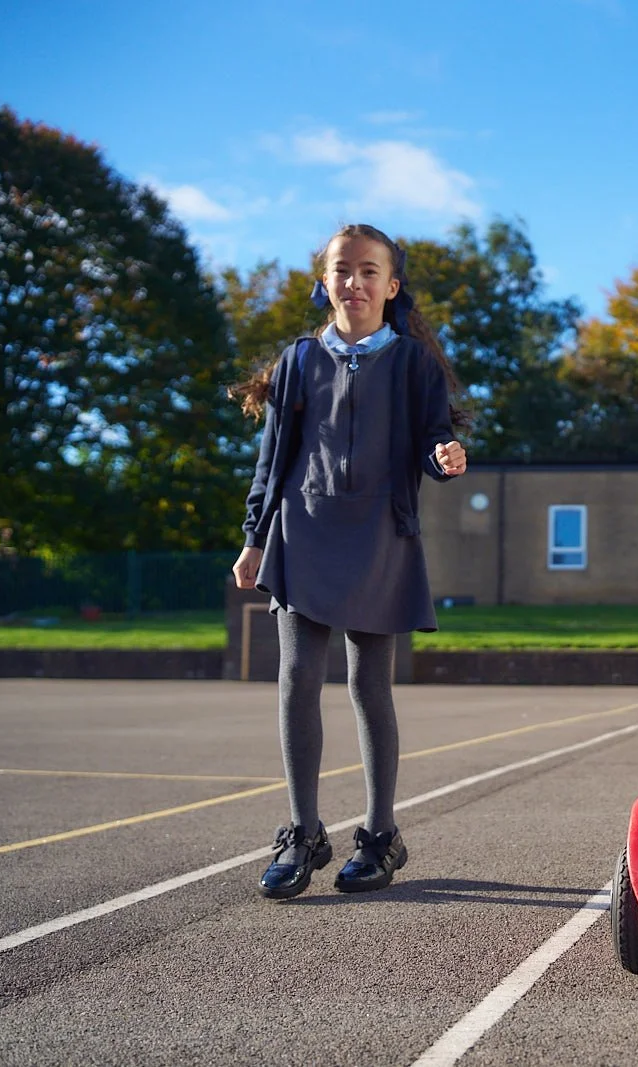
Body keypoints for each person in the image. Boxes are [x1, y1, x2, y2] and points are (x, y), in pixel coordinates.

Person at [230, 223, 468, 899]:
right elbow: (272, 458)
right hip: (301, 531)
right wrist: (254, 537)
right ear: (324, 281)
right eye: (342, 270)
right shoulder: (299, 361)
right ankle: (303, 833)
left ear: (392, 288)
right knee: (298, 676)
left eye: (370, 271)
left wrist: (444, 459)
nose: (354, 282)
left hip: (380, 535)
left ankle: (379, 834)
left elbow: (432, 441)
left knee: (369, 685)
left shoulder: (415, 365)